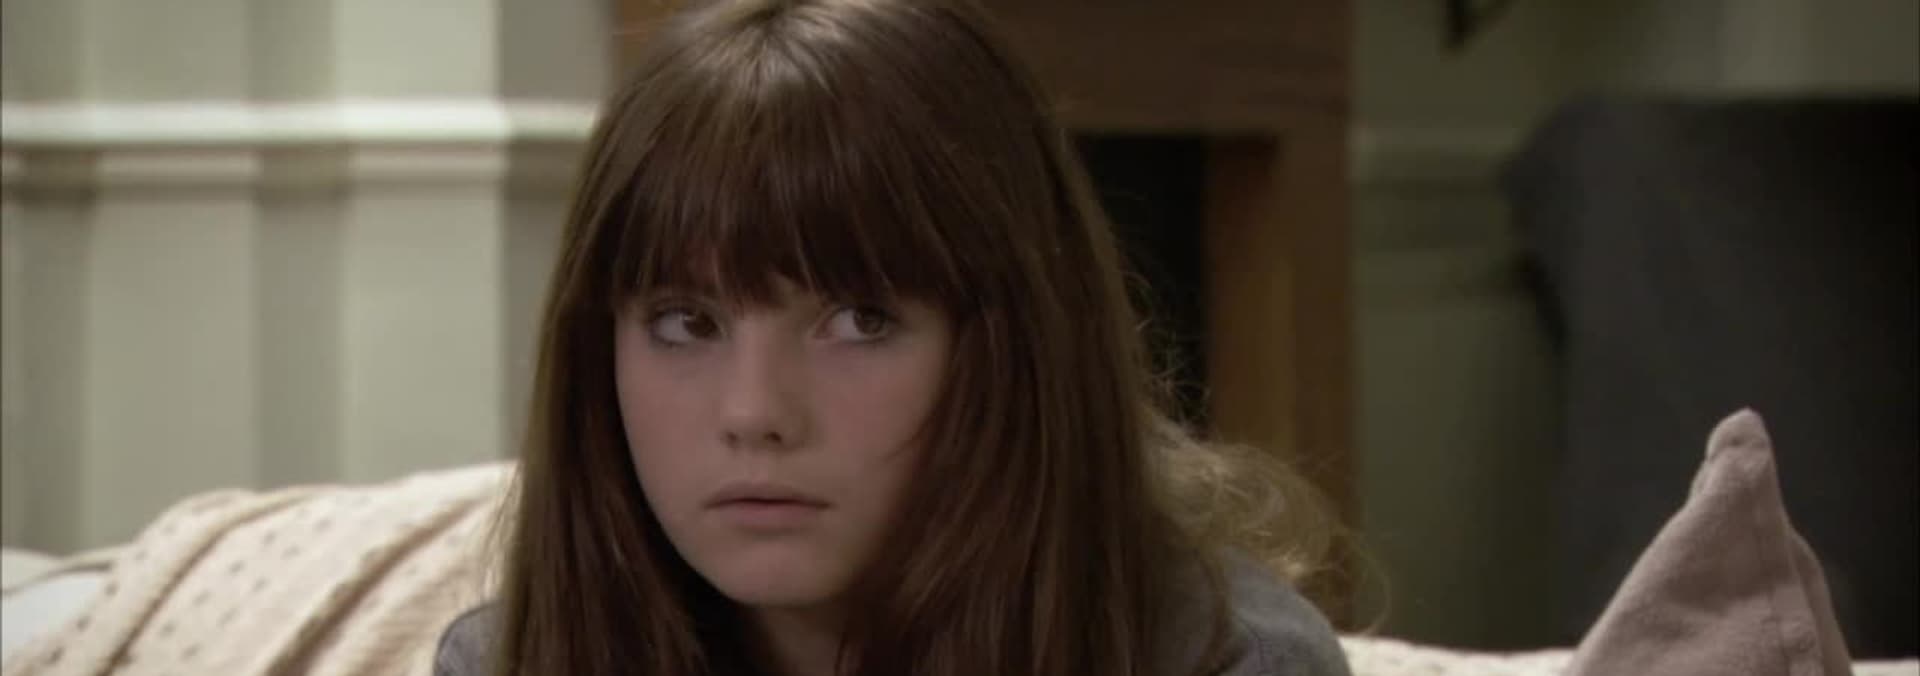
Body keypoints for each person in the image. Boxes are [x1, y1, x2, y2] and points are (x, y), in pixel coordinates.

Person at [434, 0, 1351, 674]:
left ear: (1012, 352)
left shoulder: (1228, 662)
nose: (754, 412)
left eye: (859, 321)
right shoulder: (512, 661)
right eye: (686, 324)